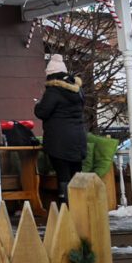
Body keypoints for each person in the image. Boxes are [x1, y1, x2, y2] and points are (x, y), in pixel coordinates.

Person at [34, 54, 88, 204]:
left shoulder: (53, 91)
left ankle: (66, 205)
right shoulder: (78, 91)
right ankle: (80, 204)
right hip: (77, 137)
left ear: (51, 75)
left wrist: (38, 104)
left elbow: (42, 112)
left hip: (59, 140)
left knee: (63, 173)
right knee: (76, 173)